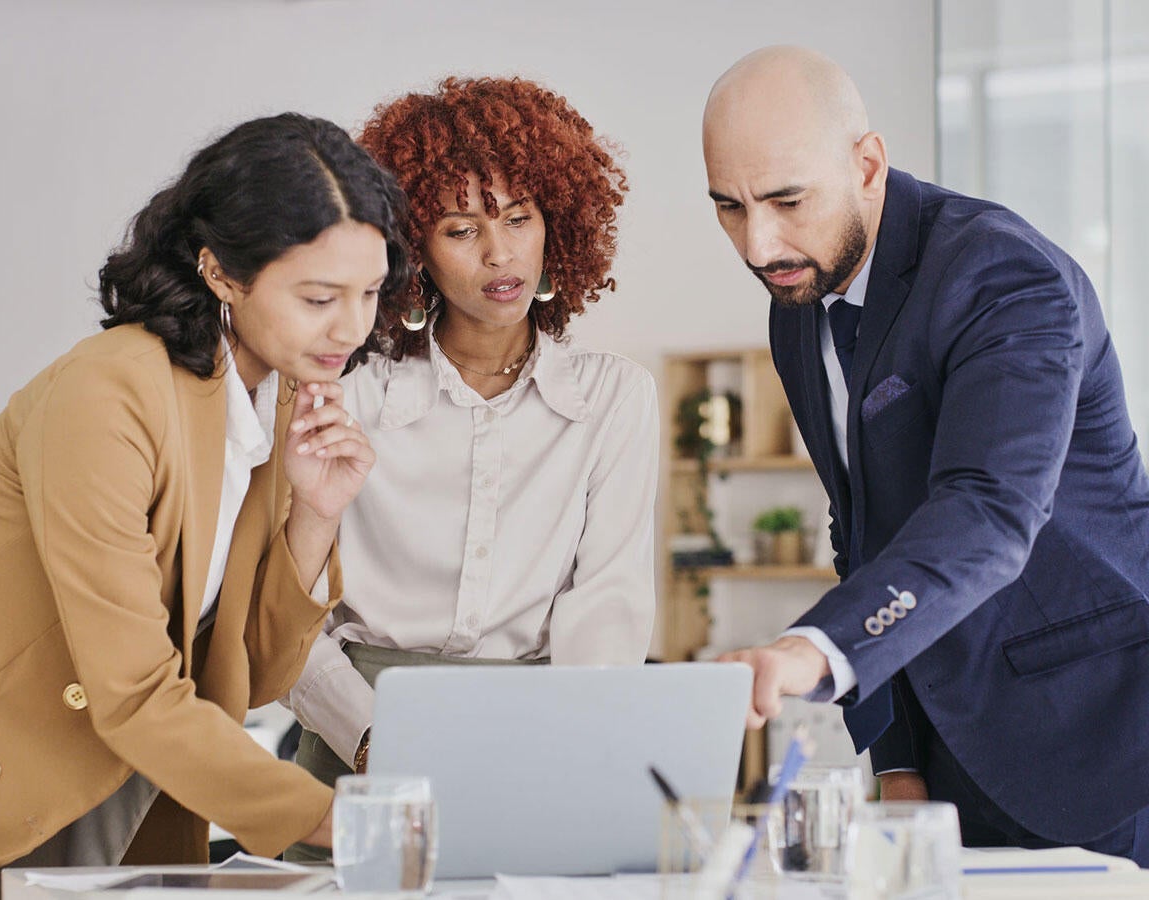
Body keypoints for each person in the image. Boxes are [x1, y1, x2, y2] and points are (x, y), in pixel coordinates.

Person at [703, 46, 1149, 863]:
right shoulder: (797, 304)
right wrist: (897, 759)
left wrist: (815, 649)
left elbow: (989, 512)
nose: (758, 244)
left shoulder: (1005, 274)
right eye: (729, 207)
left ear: (867, 163)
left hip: (1104, 748)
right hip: (945, 775)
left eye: (785, 200)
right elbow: (865, 535)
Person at [0, 112, 413, 899]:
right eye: (318, 297)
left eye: (369, 292)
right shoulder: (109, 393)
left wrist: (316, 513)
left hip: (117, 788)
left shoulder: (274, 397)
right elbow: (132, 692)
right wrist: (335, 820)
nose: (352, 327)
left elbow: (250, 677)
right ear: (221, 272)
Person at [283, 76, 657, 855]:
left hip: (540, 751)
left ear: (557, 223)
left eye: (519, 218)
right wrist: (373, 741)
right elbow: (284, 615)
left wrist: (570, 752)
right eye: (461, 229)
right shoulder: (341, 394)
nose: (500, 252)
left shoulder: (614, 399)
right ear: (412, 248)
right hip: (353, 748)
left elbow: (609, 606)